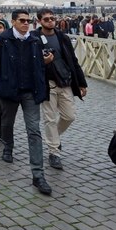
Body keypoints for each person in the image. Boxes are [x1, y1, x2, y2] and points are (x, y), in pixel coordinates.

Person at [0, 9, 52, 195]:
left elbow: (39, 64)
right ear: (14, 22)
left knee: (34, 130)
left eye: (28, 20)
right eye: (22, 20)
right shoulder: (1, 40)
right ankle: (8, 146)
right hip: (10, 91)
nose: (26, 23)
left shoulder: (35, 39)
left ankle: (38, 175)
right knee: (7, 123)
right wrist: (1, 88)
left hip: (30, 91)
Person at [32, 9, 88, 170]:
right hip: (47, 83)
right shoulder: (34, 38)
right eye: (47, 19)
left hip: (65, 82)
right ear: (39, 21)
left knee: (69, 116)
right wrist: (44, 62)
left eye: (52, 18)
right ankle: (54, 152)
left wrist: (82, 83)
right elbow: (30, 63)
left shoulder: (62, 37)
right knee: (49, 118)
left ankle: (53, 138)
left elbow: (73, 60)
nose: (50, 21)